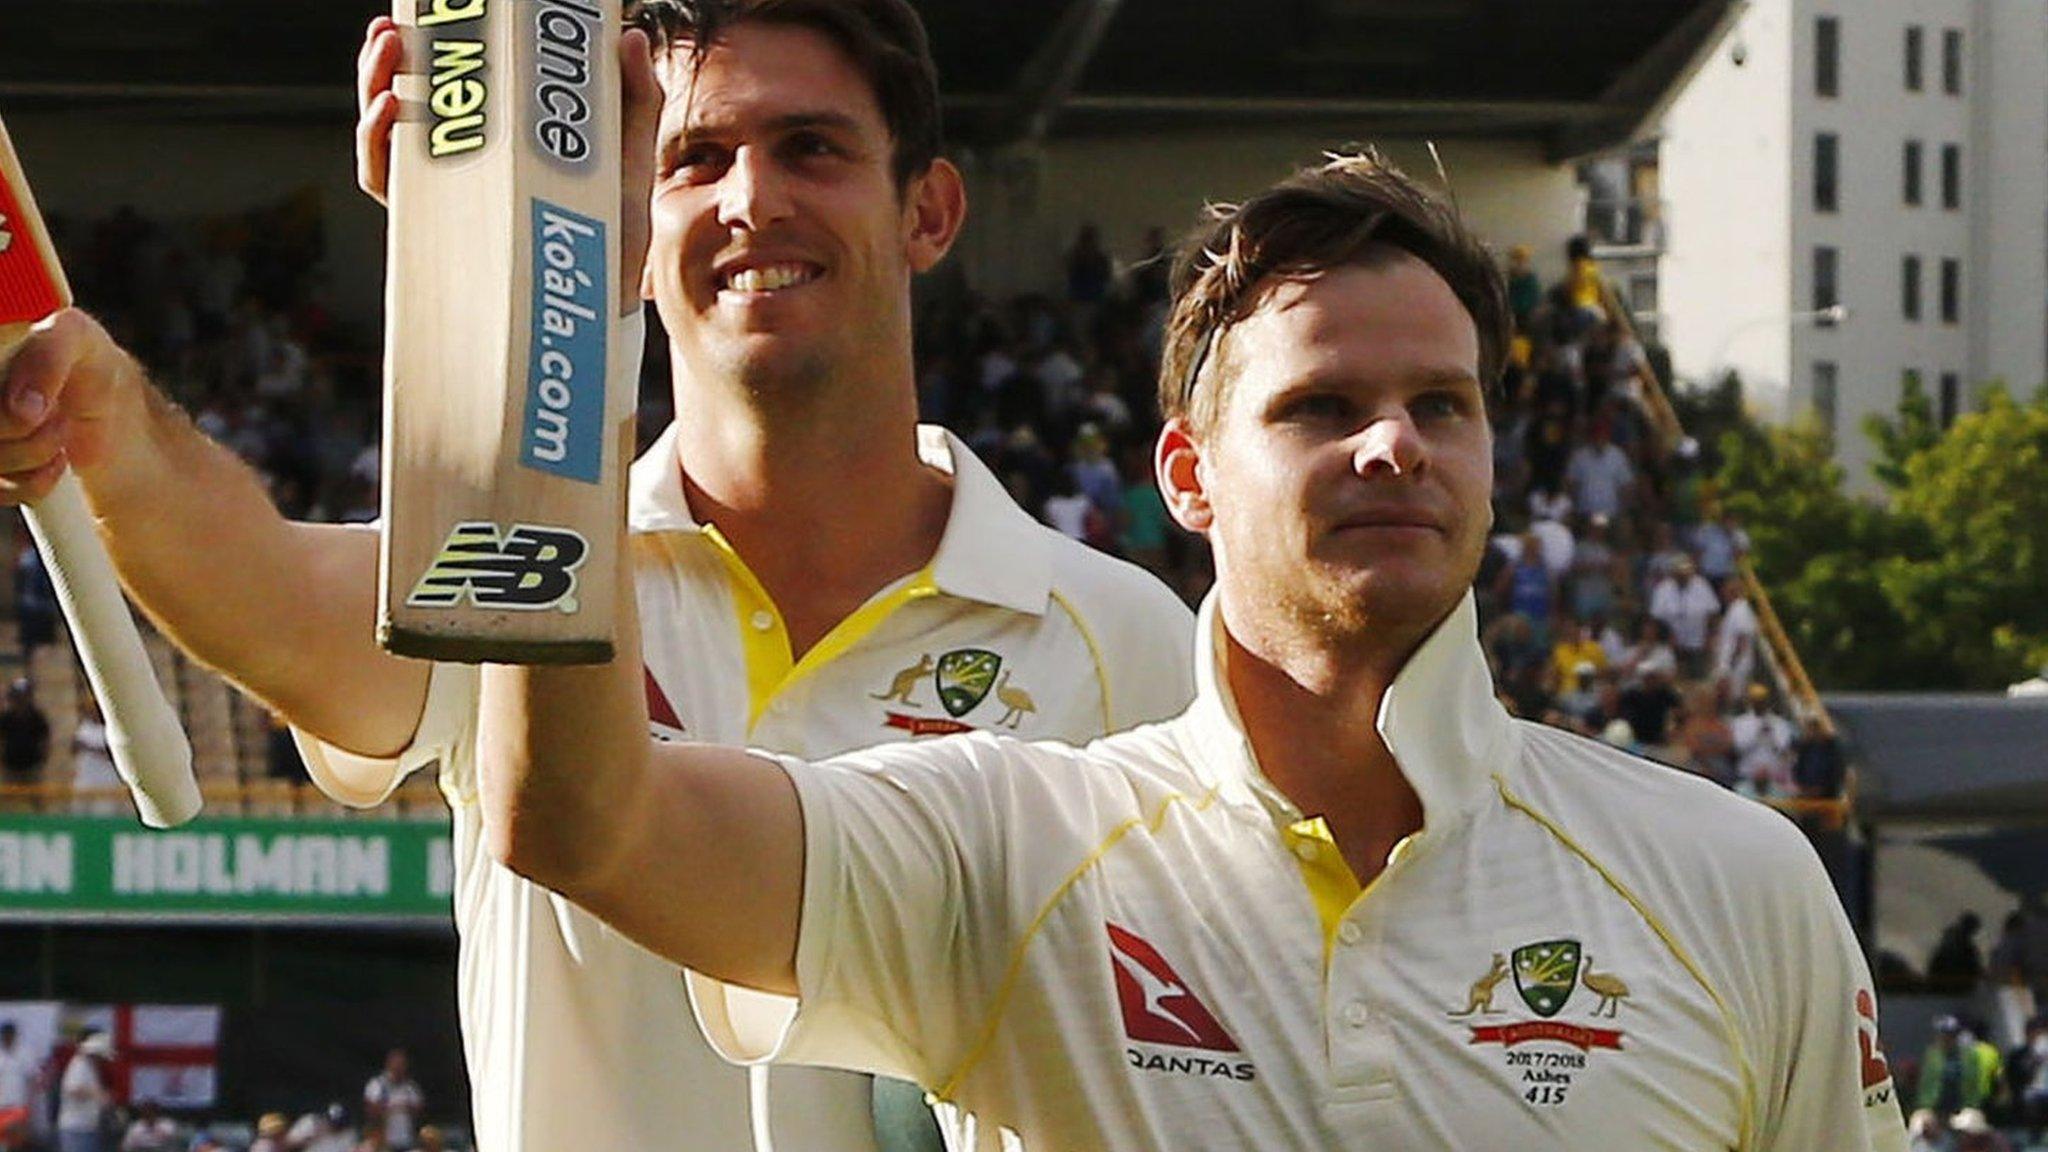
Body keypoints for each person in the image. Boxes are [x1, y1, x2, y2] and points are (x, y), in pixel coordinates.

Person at [472, 152, 1907, 1149]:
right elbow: (587, 822)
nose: (1394, 441)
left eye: (1443, 405)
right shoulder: (1010, 847)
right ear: (1186, 473)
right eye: (1319, 407)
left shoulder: (1735, 879)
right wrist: (557, 290)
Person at [0, 5, 1192, 1152]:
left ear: (927, 210)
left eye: (810, 148)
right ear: (632, 207)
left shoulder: (1117, 635)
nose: (750, 198)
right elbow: (266, 593)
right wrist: (103, 414)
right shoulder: (523, 553)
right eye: (692, 157)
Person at [56, 1031, 112, 1152]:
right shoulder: (79, 1065)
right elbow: (73, 1089)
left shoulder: (89, 1067)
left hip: (87, 1127)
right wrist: (97, 1094)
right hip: (76, 1129)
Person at [0, 1023, 33, 1152]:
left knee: (17, 1144)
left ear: (15, 1036)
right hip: (1, 1107)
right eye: (4, 1035)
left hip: (19, 1106)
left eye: (10, 1035)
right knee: (2, 1144)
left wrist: (30, 1105)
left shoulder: (25, 1053)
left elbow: (31, 1079)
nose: (7, 1038)